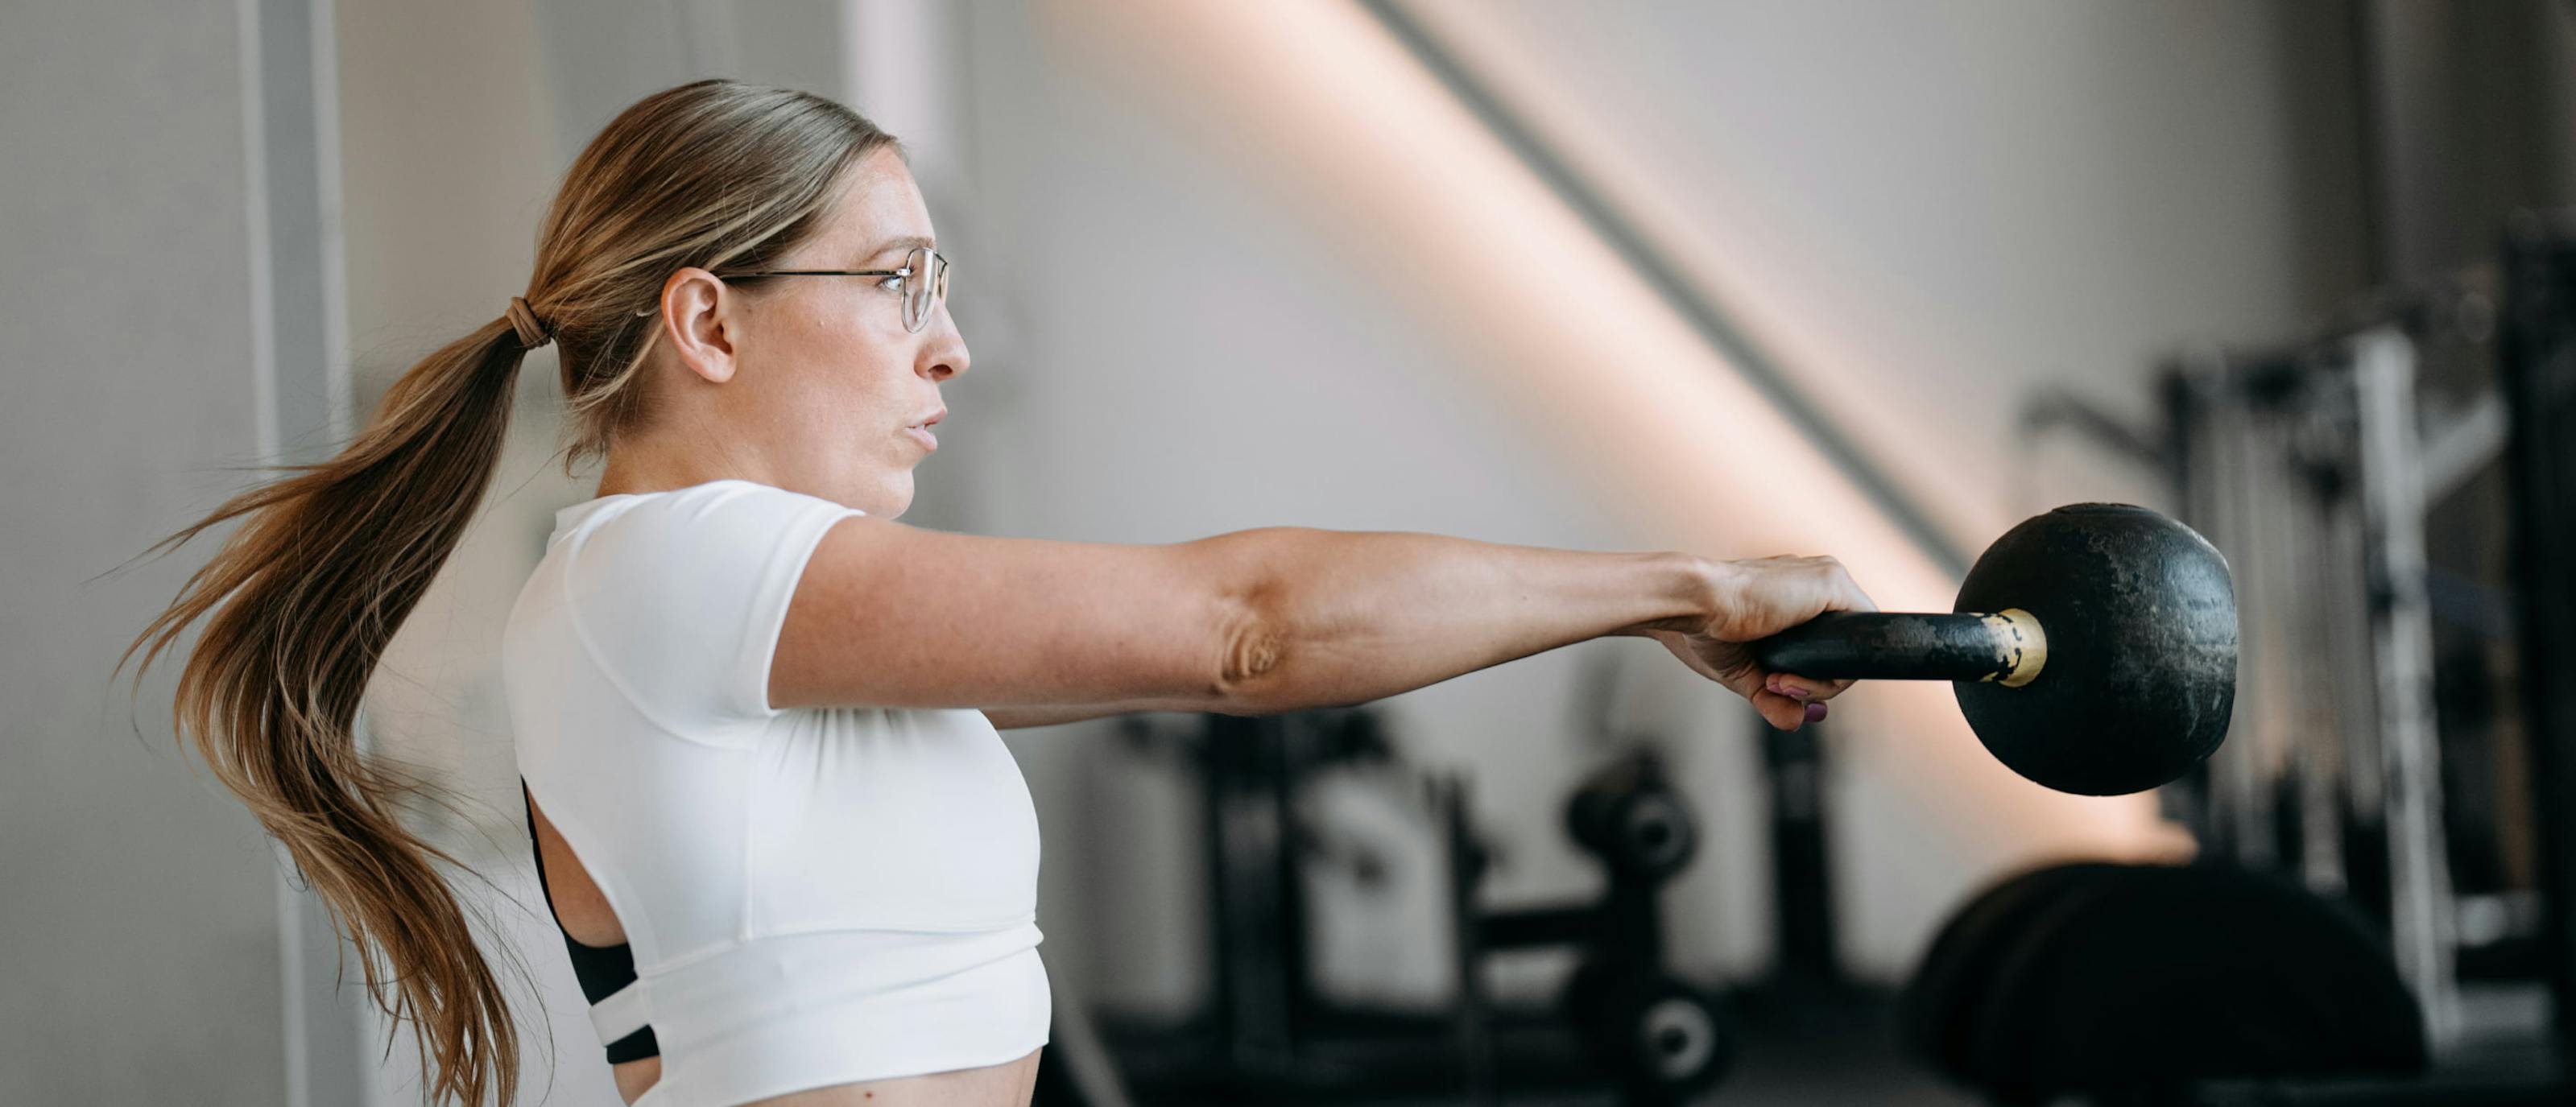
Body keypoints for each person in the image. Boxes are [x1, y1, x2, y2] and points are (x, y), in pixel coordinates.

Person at [123, 78, 1871, 1107]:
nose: (947, 346)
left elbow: (653, 1047)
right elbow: (1241, 626)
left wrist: (1654, 616)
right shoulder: (684, 565)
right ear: (707, 322)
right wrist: (1684, 579)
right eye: (895, 282)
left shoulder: (696, 613)